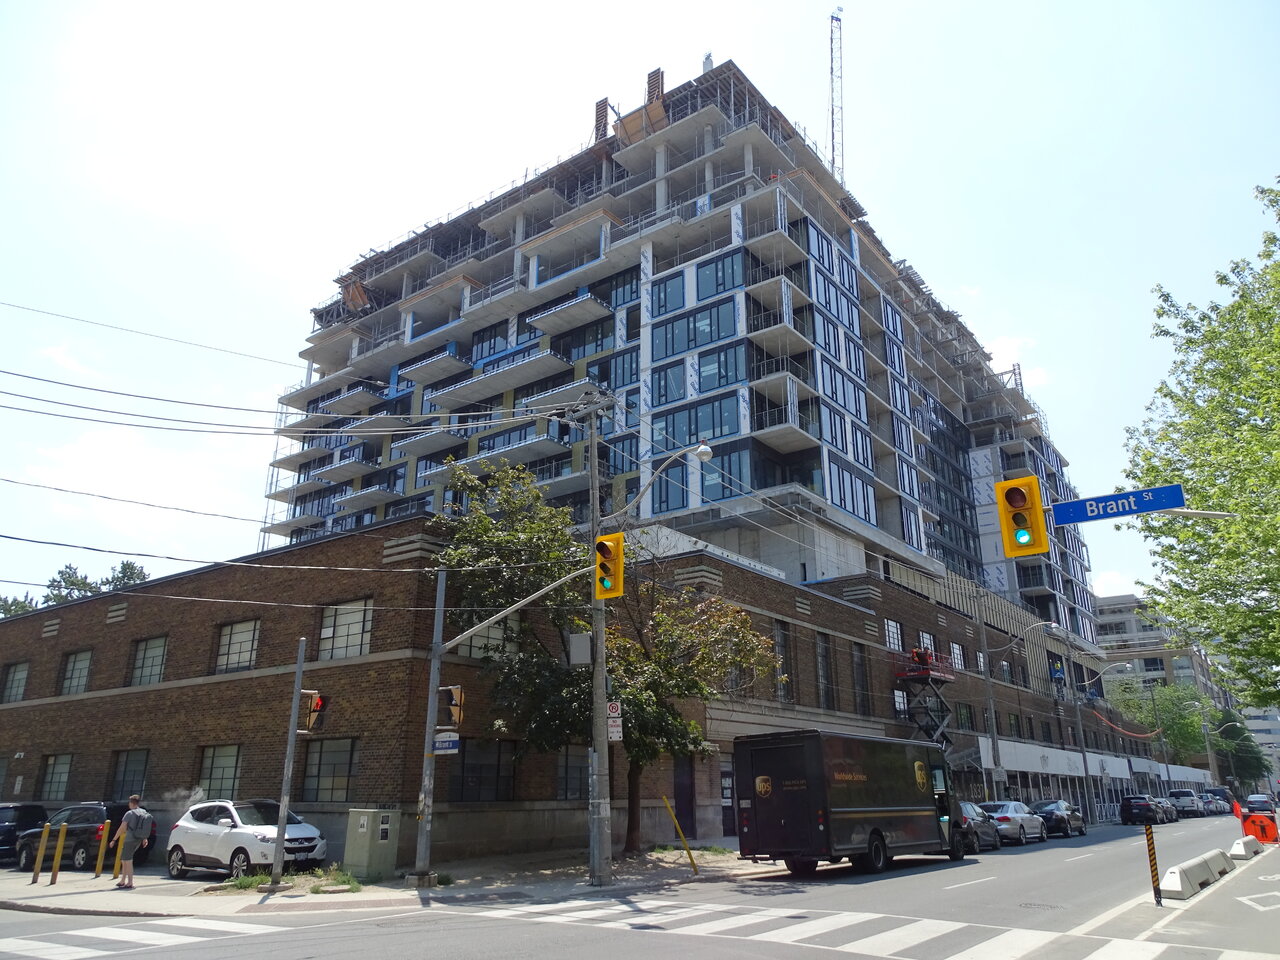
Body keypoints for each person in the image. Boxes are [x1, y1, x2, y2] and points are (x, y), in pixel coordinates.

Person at [109, 795, 151, 889]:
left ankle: (130, 882)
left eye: (129, 802)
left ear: (131, 803)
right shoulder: (143, 812)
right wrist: (144, 838)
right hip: (138, 839)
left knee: (128, 860)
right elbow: (145, 826)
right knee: (124, 859)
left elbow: (122, 827)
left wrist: (114, 839)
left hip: (129, 839)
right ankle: (123, 880)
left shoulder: (129, 813)